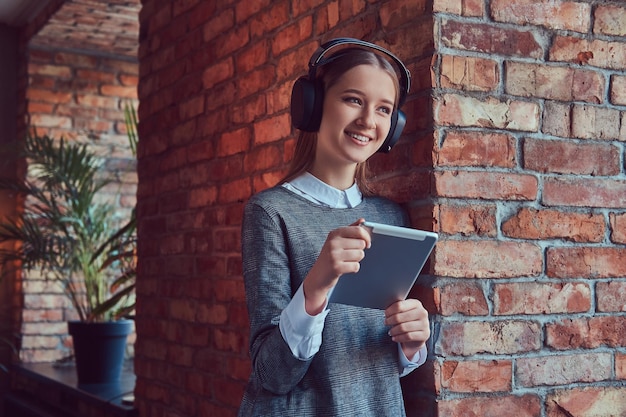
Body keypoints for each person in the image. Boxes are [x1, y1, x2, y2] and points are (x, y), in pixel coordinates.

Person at [238, 38, 431, 416]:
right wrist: (317, 284)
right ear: (312, 105)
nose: (368, 121)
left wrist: (412, 343)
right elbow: (271, 374)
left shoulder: (393, 218)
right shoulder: (270, 212)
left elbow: (384, 359)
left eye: (384, 109)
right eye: (353, 100)